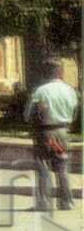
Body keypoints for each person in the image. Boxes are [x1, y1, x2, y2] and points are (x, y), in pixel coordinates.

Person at [25, 61, 78, 212]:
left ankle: (44, 203)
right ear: (60, 72)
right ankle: (66, 202)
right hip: (63, 132)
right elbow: (74, 114)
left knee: (43, 166)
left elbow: (28, 115)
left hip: (45, 134)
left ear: (45, 73)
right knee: (62, 166)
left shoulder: (40, 91)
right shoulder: (70, 91)